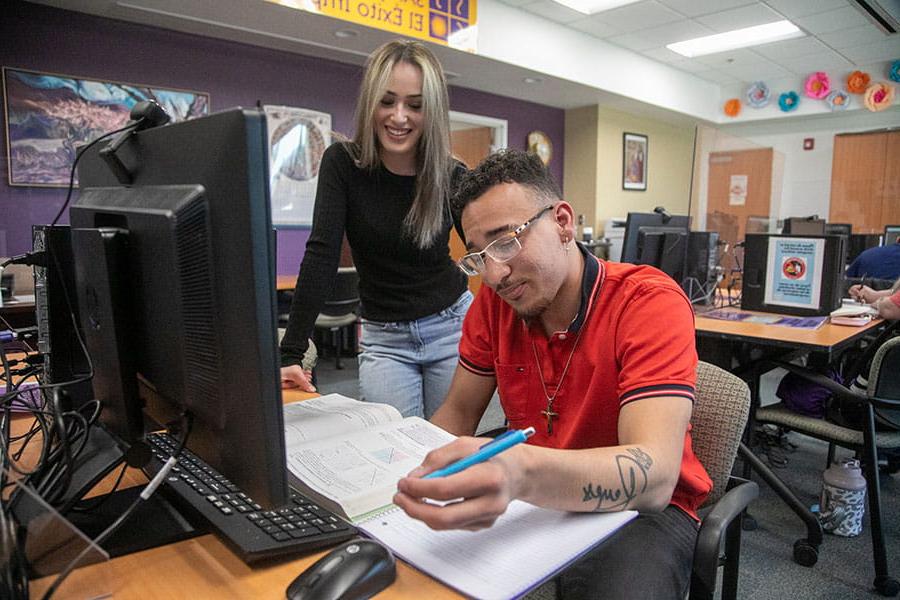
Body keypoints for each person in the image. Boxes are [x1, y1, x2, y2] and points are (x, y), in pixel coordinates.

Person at [393, 150, 712, 599]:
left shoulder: (647, 301)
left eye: (505, 243)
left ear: (562, 221)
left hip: (636, 510)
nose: (496, 273)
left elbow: (655, 477)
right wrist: (399, 472)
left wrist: (521, 472)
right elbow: (457, 415)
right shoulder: (494, 303)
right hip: (535, 494)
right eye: (478, 257)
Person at [279, 40, 471, 419]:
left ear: (430, 111)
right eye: (388, 101)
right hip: (386, 338)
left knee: (445, 456)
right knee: (394, 454)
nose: (399, 116)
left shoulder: (450, 174)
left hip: (452, 328)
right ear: (371, 102)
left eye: (414, 105)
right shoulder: (343, 164)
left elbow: (490, 252)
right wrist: (291, 352)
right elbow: (321, 255)